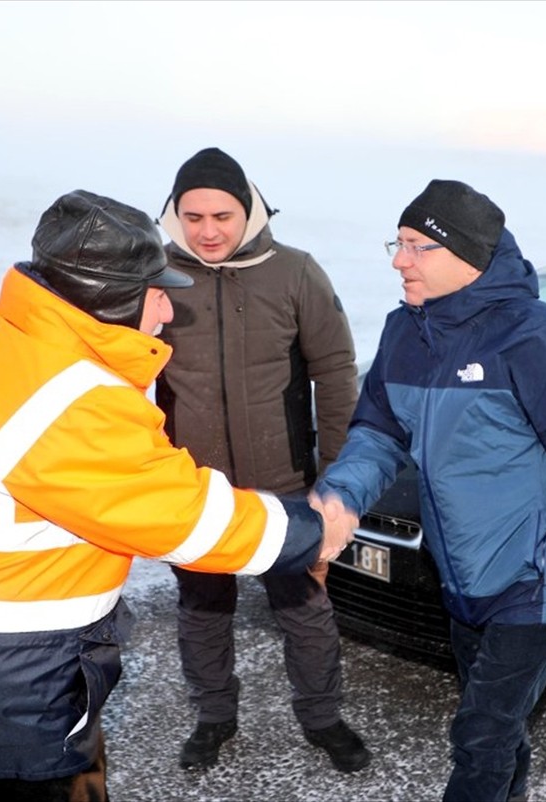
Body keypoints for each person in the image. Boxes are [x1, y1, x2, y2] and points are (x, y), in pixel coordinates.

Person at [0, 190, 354, 801]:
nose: (168, 310)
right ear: (110, 298)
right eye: (156, 291)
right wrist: (311, 529)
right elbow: (181, 517)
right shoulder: (72, 400)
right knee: (41, 788)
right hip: (9, 656)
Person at [313, 179, 546, 802]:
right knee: (499, 720)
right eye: (398, 243)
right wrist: (343, 495)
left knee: (481, 734)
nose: (397, 260)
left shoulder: (542, 340)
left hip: (536, 582)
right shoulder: (405, 333)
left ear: (468, 257)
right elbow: (379, 433)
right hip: (462, 574)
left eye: (417, 247)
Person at [153, 147, 367, 772]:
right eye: (193, 217)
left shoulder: (296, 273)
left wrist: (336, 479)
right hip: (194, 489)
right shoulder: (158, 277)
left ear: (248, 212)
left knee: (303, 609)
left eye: (222, 214)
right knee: (201, 610)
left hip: (283, 486)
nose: (208, 230)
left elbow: (334, 374)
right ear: (175, 216)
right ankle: (213, 716)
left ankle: (324, 717)